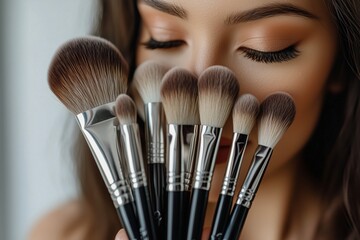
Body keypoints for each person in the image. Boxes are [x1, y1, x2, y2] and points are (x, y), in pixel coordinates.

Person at [29, 0, 360, 239]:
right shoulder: (63, 233)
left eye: (267, 48)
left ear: (341, 60)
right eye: (164, 38)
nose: (199, 84)